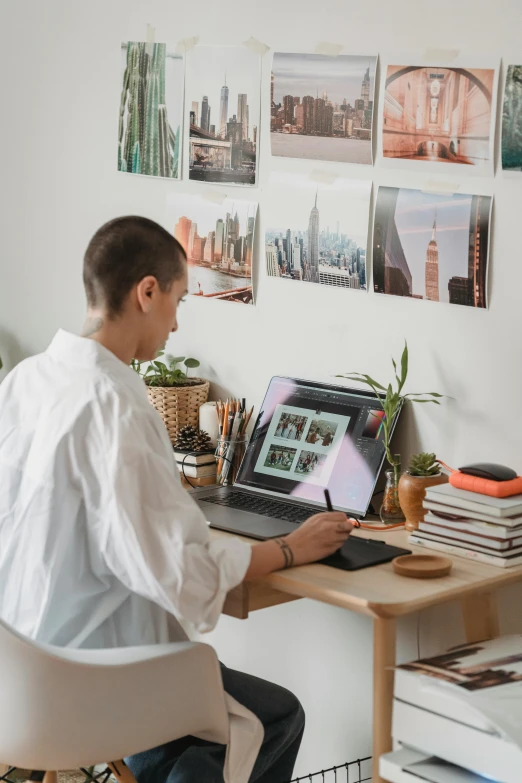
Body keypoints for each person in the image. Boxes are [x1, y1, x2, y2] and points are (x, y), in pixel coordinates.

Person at [0, 217, 353, 783]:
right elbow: (182, 575)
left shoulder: (25, 381)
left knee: (187, 710)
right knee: (274, 716)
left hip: (15, 680)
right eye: (178, 298)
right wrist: (290, 547)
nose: (177, 321)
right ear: (146, 292)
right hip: (83, 685)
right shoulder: (116, 403)